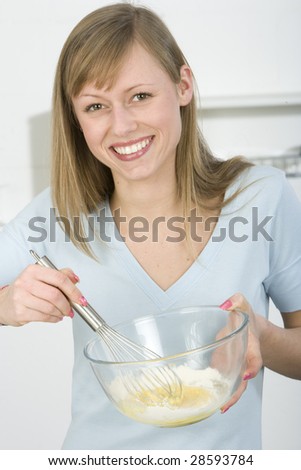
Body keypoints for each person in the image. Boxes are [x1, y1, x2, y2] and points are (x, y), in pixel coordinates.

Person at [0, 2, 300, 450]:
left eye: (140, 96)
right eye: (96, 106)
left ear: (183, 85)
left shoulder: (261, 197)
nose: (122, 126)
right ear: (75, 119)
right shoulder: (56, 215)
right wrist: (5, 307)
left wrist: (261, 333)